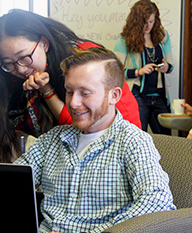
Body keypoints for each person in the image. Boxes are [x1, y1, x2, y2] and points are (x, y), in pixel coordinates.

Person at [14, 47, 176, 233]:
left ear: (114, 95)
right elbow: (13, 183)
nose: (73, 103)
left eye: (85, 93)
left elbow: (158, 202)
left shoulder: (133, 142)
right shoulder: (52, 140)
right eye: (69, 91)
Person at [0, 9, 141, 162]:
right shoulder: (13, 74)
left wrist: (46, 90)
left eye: (24, 57)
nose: (20, 69)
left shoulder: (81, 62)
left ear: (43, 43)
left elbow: (82, 126)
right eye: (9, 63)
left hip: (113, 137)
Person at [114, 0, 173, 135]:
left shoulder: (162, 36)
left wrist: (166, 67)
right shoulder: (125, 39)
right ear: (137, 21)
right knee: (138, 137)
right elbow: (115, 71)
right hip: (137, 96)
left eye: (151, 22)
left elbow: (171, 66)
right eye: (144, 22)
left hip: (159, 96)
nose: (148, 26)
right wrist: (138, 72)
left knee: (167, 138)